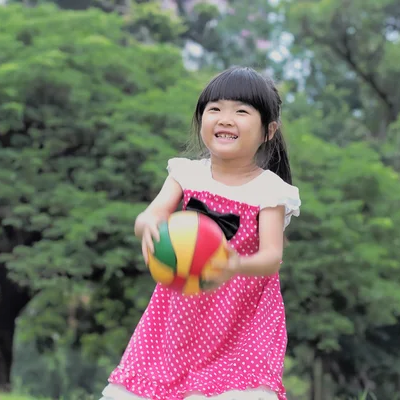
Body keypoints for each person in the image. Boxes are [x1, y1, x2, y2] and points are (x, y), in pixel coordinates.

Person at [99, 66, 301, 400]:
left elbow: (271, 257)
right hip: (178, 316)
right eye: (215, 109)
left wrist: (235, 264)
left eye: (241, 111)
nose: (225, 118)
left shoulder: (270, 190)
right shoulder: (185, 173)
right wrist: (147, 224)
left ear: (268, 130)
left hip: (241, 323)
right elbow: (150, 216)